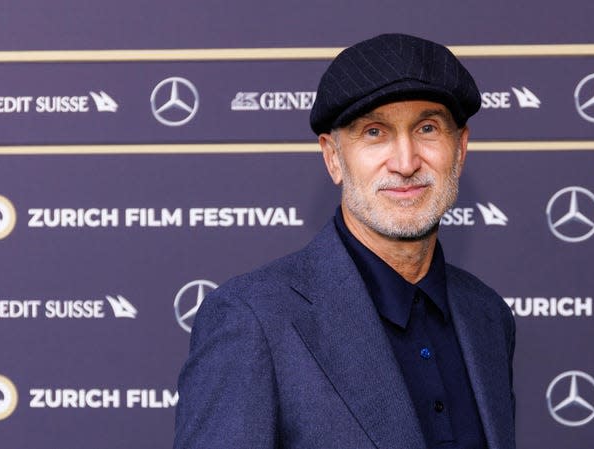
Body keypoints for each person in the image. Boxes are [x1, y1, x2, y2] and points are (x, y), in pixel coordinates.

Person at [174, 33, 515, 449]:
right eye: (375, 132)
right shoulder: (255, 321)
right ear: (333, 158)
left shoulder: (488, 317)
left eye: (427, 128)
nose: (406, 163)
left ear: (460, 149)